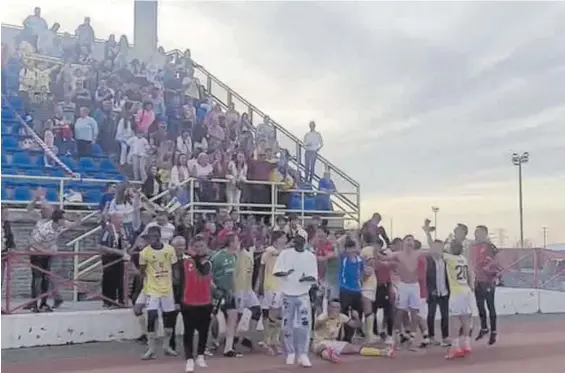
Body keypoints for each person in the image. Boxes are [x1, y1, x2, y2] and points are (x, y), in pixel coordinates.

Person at [273, 231, 318, 367]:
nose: (297, 243)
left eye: (300, 240)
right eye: (296, 240)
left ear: (305, 241)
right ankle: (290, 352)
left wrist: (305, 279)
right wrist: (286, 274)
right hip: (287, 293)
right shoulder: (285, 254)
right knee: (287, 323)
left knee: (304, 324)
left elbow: (313, 276)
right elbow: (277, 271)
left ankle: (303, 353)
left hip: (303, 293)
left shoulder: (310, 256)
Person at [136, 226, 179, 360]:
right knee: (152, 315)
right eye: (150, 237)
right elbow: (142, 271)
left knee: (168, 318)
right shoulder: (144, 253)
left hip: (167, 289)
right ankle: (151, 348)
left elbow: (174, 266)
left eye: (155, 236)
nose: (153, 239)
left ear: (160, 236)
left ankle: (166, 346)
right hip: (152, 289)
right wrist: (144, 286)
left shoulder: (169, 250)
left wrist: (176, 282)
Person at [28, 208, 80, 312]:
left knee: (46, 279)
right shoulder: (45, 229)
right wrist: (45, 251)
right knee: (37, 279)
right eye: (63, 219)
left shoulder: (61, 225)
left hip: (47, 253)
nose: (65, 221)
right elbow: (32, 243)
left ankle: (43, 303)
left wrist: (79, 217)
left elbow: (75, 224)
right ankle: (34, 304)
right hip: (36, 254)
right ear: (58, 220)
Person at [313, 298, 395, 363]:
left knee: (354, 348)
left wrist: (357, 318)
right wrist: (328, 317)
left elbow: (355, 325)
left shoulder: (342, 317)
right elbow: (316, 326)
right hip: (320, 342)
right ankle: (331, 357)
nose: (335, 309)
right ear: (328, 308)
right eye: (333, 307)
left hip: (334, 342)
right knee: (322, 349)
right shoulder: (322, 317)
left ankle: (382, 352)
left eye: (337, 307)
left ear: (340, 309)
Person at [378, 235, 422, 349]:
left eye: (411, 240)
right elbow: (384, 259)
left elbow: (432, 251)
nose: (409, 242)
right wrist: (373, 250)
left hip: (414, 285)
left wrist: (428, 233)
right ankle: (396, 335)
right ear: (403, 243)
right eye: (407, 240)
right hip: (403, 285)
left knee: (414, 312)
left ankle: (412, 338)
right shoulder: (398, 255)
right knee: (400, 311)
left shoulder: (418, 253)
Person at [177, 235, 213, 372]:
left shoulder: (208, 262)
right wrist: (178, 300)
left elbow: (204, 272)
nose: (198, 249)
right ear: (192, 247)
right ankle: (189, 358)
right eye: (196, 246)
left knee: (203, 331)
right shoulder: (185, 262)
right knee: (188, 331)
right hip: (188, 301)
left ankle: (201, 355)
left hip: (205, 301)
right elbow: (179, 281)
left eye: (201, 246)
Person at [256, 230, 287, 355]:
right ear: (277, 239)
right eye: (283, 237)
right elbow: (262, 269)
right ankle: (268, 341)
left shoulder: (284, 253)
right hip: (272, 286)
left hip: (282, 286)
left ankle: (275, 340)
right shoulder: (269, 251)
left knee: (279, 315)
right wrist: (259, 285)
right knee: (272, 314)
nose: (285, 239)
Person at [210, 233, 241, 357]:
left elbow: (232, 276)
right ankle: (212, 344)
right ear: (231, 242)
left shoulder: (234, 256)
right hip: (218, 292)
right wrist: (215, 289)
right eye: (237, 240)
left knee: (233, 316)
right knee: (214, 319)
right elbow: (209, 274)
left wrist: (234, 291)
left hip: (229, 292)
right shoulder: (218, 257)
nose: (238, 243)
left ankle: (228, 347)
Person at [470, 225, 501, 345]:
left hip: (488, 281)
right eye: (476, 232)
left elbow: (497, 261)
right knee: (480, 306)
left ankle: (493, 331)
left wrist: (491, 270)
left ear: (485, 233)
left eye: (480, 232)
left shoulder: (490, 247)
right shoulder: (473, 247)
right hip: (477, 280)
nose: (477, 234)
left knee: (490, 306)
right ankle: (484, 327)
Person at [444, 241, 475, 359]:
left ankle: (455, 347)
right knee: (465, 318)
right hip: (466, 290)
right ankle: (467, 345)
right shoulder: (463, 259)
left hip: (456, 292)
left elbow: (434, 250)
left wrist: (428, 234)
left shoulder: (449, 258)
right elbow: (469, 273)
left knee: (454, 319)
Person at [99, 213, 130, 307]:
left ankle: (121, 300)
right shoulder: (107, 230)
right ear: (113, 219)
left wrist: (126, 247)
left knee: (120, 279)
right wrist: (117, 251)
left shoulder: (124, 230)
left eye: (121, 219)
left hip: (120, 258)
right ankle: (108, 300)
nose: (121, 221)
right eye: (119, 219)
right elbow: (101, 246)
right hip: (109, 258)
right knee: (108, 279)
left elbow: (127, 241)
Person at [337, 237, 364, 343]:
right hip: (345, 289)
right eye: (349, 248)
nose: (351, 251)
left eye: (353, 248)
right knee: (342, 313)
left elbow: (363, 272)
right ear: (346, 249)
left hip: (357, 290)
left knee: (356, 313)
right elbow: (338, 243)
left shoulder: (360, 260)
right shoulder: (343, 257)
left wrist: (361, 279)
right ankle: (338, 336)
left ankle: (349, 336)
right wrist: (348, 235)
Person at [359, 234, 380, 343]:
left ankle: (368, 333)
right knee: (368, 309)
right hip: (367, 285)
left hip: (369, 284)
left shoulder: (366, 250)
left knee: (367, 310)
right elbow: (371, 262)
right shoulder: (368, 249)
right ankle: (369, 335)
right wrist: (368, 271)